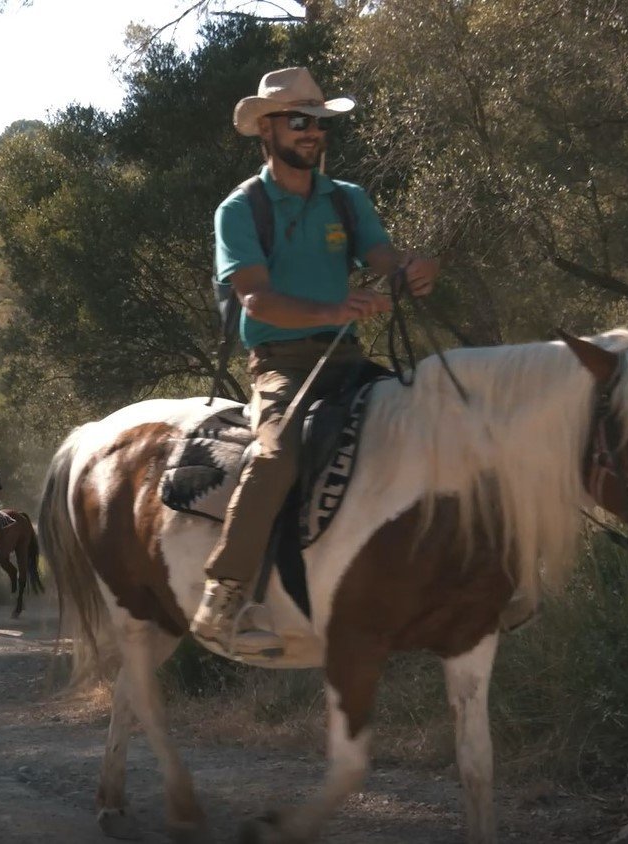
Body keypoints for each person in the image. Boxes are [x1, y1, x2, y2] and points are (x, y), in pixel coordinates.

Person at [188, 67, 441, 659]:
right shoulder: (242, 209)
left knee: (430, 423)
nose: (311, 132)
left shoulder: (347, 200)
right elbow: (256, 298)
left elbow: (380, 255)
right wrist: (334, 306)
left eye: (318, 122)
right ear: (267, 130)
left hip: (347, 358)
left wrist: (408, 270)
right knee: (276, 455)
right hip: (282, 365)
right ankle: (222, 597)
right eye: (299, 121)